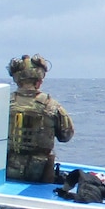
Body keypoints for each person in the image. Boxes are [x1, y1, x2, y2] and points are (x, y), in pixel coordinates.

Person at [5, 54, 74, 183]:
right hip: (39, 175)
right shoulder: (52, 106)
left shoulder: (2, 103)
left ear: (17, 80)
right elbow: (66, 136)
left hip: (5, 171)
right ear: (39, 82)